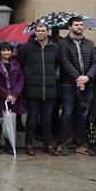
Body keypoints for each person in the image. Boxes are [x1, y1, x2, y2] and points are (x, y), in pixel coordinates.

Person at [17, 23, 60, 156]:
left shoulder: (55, 48)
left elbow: (56, 64)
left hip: (49, 87)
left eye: (43, 30)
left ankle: (47, 144)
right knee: (32, 117)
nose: (41, 33)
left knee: (47, 118)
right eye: (38, 31)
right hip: (32, 87)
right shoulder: (26, 48)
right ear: (34, 32)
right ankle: (29, 144)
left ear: (48, 32)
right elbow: (20, 64)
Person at [57, 16, 96, 156]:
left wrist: (87, 77)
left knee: (83, 115)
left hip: (87, 84)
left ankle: (81, 145)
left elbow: (95, 63)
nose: (80, 27)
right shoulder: (62, 43)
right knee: (67, 114)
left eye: (81, 24)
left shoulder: (90, 43)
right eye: (76, 25)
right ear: (69, 27)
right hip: (68, 84)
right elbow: (64, 62)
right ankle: (61, 144)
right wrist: (78, 77)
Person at [0, 42, 25, 155]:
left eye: (8, 50)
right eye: (4, 50)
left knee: (11, 121)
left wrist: (15, 94)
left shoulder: (16, 63)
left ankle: (9, 145)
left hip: (14, 98)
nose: (6, 52)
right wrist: (6, 95)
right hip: (1, 97)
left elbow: (21, 79)